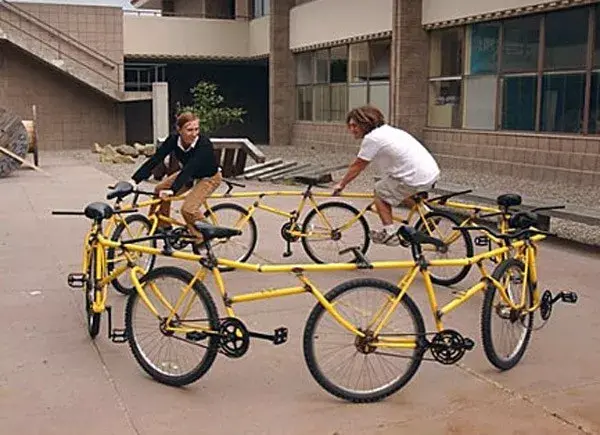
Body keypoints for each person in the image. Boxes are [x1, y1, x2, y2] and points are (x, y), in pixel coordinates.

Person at [333, 105, 440, 246]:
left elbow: (358, 166)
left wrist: (342, 184)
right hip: (430, 172)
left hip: (414, 177)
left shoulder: (372, 139)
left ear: (366, 123)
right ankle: (428, 215)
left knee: (380, 191)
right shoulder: (390, 131)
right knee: (395, 187)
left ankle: (390, 234)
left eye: (355, 125)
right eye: (349, 126)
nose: (351, 129)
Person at [130, 111, 222, 242]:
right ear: (179, 130)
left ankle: (205, 235)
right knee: (159, 190)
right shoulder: (173, 139)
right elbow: (156, 159)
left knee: (188, 210)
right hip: (189, 174)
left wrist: (172, 190)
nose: (194, 133)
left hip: (209, 176)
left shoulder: (204, 144)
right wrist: (134, 180)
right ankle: (164, 227)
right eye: (189, 130)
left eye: (197, 129)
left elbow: (191, 167)